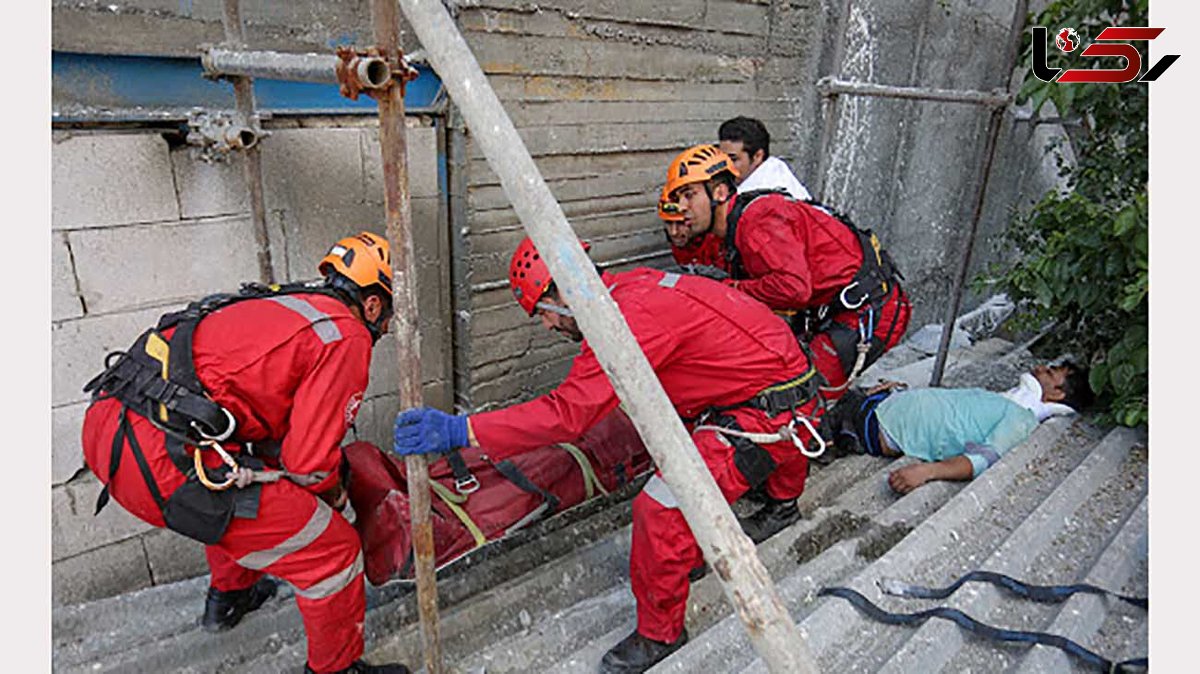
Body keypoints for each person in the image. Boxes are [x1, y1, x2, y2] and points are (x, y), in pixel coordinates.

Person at [392, 236, 825, 673]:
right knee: (690, 449)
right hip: (790, 390)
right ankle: (781, 503)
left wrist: (462, 430)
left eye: (541, 312)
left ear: (562, 291)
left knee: (660, 508)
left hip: (768, 418)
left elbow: (566, 416)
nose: (545, 326)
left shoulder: (624, 320)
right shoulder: (632, 285)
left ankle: (661, 635)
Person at [79, 232, 409, 674]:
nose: (385, 327)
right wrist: (336, 498)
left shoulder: (290, 302)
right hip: (163, 461)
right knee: (334, 549)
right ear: (372, 304)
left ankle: (230, 597)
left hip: (112, 427)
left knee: (245, 481)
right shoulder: (345, 335)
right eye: (387, 315)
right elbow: (309, 465)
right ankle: (336, 668)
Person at [666, 143, 912, 401]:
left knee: (802, 398)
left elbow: (792, 288)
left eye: (689, 195)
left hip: (868, 311)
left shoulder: (757, 219)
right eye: (678, 198)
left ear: (719, 192)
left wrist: (730, 288)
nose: (682, 207)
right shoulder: (736, 226)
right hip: (843, 309)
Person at [824, 362, 1093, 494]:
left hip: (872, 427)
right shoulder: (1010, 404)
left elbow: (982, 460)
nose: (1039, 368)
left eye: (1050, 372)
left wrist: (926, 472)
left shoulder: (1021, 419)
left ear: (1057, 394)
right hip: (880, 407)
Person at [717, 116, 812, 201]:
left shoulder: (768, 194)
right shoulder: (772, 168)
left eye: (733, 159)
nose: (725, 165)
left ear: (757, 156)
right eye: (722, 158)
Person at [659, 183, 726, 269]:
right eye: (668, 223)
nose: (673, 232)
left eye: (681, 223)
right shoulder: (680, 245)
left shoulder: (718, 240)